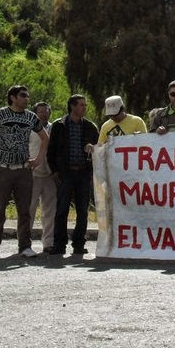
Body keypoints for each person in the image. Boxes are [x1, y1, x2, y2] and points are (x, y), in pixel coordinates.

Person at [0, 85, 48, 259]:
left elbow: (45, 137)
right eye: (23, 95)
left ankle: (25, 246)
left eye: (27, 96)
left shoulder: (31, 117)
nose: (26, 99)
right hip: (2, 170)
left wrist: (38, 159)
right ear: (13, 97)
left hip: (24, 170)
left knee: (25, 210)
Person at [47, 94, 99, 255]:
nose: (84, 107)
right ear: (72, 106)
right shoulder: (59, 125)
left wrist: (92, 171)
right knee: (61, 209)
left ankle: (78, 243)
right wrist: (54, 171)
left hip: (83, 173)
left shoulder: (90, 127)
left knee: (82, 211)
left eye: (85, 105)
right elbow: (51, 150)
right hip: (65, 173)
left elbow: (98, 150)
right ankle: (59, 244)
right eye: (81, 105)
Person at [29, 102, 56, 254]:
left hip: (50, 175)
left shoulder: (54, 128)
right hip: (32, 174)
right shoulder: (28, 129)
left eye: (46, 111)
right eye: (40, 112)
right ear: (35, 113)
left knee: (49, 211)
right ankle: (25, 242)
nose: (43, 114)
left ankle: (48, 243)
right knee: (29, 210)